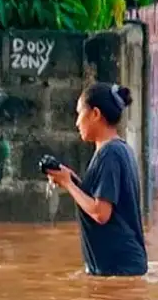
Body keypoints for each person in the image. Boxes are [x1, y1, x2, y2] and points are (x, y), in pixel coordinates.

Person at [44, 82, 148, 277]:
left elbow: (101, 213)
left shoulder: (109, 154)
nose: (76, 123)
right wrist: (71, 180)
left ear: (95, 114)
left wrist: (67, 183)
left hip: (119, 269)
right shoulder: (119, 149)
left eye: (79, 114)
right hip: (121, 267)